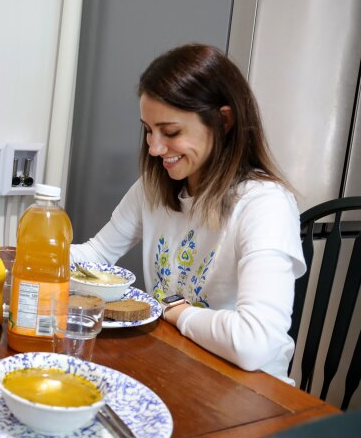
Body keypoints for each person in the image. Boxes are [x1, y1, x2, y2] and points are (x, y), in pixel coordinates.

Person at [71, 43, 305, 382]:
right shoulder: (155, 186)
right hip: (176, 366)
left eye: (171, 132)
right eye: (149, 130)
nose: (153, 148)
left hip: (248, 391)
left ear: (223, 120)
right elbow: (95, 257)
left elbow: (255, 341)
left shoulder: (265, 205)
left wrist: (174, 311)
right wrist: (29, 257)